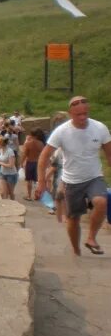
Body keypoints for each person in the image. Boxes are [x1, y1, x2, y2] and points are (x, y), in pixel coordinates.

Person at [35, 96, 111, 256]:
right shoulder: (62, 132)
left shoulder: (100, 128)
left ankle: (91, 238)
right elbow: (43, 157)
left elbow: (109, 154)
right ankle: (76, 249)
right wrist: (41, 181)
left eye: (85, 113)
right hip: (72, 181)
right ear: (71, 114)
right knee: (73, 219)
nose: (83, 117)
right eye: (78, 115)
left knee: (101, 201)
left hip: (94, 176)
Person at [21, 129, 45, 201]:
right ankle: (37, 195)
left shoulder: (28, 144)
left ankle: (29, 196)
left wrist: (21, 162)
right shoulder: (41, 143)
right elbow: (42, 155)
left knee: (29, 180)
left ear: (32, 135)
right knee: (37, 180)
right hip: (37, 163)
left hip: (30, 162)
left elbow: (25, 154)